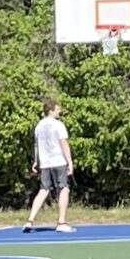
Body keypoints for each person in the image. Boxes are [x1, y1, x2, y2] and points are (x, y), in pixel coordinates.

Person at [23, 98, 76, 233]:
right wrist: (69, 161)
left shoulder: (39, 126)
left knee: (43, 190)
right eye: (57, 109)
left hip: (45, 163)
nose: (59, 111)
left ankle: (30, 220)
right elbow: (63, 144)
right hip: (58, 161)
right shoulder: (58, 125)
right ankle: (61, 222)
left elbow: (37, 145)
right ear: (51, 110)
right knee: (64, 189)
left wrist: (36, 161)